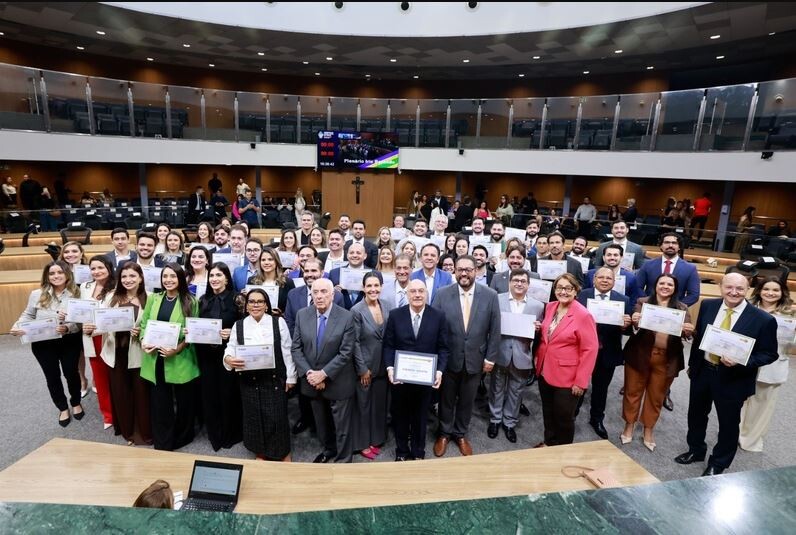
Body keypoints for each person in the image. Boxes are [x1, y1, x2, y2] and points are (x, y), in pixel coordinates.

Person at [675, 273, 778, 476]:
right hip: (703, 371)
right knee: (696, 415)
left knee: (728, 423)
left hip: (734, 378)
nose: (733, 292)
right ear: (721, 287)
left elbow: (769, 354)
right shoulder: (708, 305)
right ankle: (696, 450)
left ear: (747, 289)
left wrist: (743, 361)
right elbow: (702, 338)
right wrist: (693, 362)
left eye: (739, 289)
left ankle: (719, 462)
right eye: (729, 287)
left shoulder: (763, 319)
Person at [432, 255, 500, 457]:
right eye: (460, 269)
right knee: (446, 399)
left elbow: (495, 329)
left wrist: (490, 358)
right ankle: (444, 433)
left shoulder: (490, 295)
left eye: (468, 269)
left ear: (476, 271)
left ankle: (460, 433)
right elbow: (434, 327)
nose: (464, 273)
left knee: (467, 400)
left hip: (476, 359)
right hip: (448, 359)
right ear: (454, 271)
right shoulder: (442, 294)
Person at [621, 273, 693, 450]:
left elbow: (688, 334)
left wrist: (688, 330)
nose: (665, 286)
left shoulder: (682, 307)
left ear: (675, 288)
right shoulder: (643, 302)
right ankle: (629, 425)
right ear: (656, 285)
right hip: (639, 355)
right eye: (662, 283)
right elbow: (634, 325)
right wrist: (635, 320)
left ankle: (648, 429)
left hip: (666, 359)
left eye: (670, 284)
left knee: (656, 396)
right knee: (632, 392)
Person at [224, 288, 296, 461]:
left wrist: (291, 377)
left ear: (266, 305)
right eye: (251, 302)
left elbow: (288, 350)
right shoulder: (239, 325)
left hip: (273, 379)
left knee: (277, 417)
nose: (255, 305)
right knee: (254, 418)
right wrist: (228, 359)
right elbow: (231, 347)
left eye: (260, 302)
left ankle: (283, 452)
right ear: (246, 306)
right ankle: (260, 451)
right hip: (249, 380)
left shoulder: (277, 322)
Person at [291, 278, 357, 463]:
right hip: (312, 380)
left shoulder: (346, 316)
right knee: (321, 424)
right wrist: (310, 374)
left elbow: (345, 353)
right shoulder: (302, 315)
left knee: (342, 426)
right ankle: (329, 450)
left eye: (324, 292)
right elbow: (296, 348)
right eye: (315, 292)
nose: (319, 296)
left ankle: (344, 459)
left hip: (338, 380)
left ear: (333, 294)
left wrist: (324, 374)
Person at [10, 261, 83, 427]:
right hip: (43, 343)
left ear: (67, 274)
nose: (56, 276)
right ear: (47, 276)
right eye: (52, 273)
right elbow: (28, 314)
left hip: (68, 341)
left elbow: (80, 321)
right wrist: (17, 325)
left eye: (60, 272)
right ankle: (62, 407)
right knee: (52, 376)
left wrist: (68, 327)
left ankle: (76, 402)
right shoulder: (37, 294)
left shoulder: (77, 293)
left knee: (71, 373)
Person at [383, 280, 449, 461]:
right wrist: (390, 368)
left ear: (427, 293)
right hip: (400, 378)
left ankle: (418, 452)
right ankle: (402, 451)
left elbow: (443, 348)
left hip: (425, 378)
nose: (417, 295)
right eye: (413, 291)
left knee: (421, 417)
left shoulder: (438, 316)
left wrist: (439, 371)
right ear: (407, 294)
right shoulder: (395, 315)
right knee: (401, 416)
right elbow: (388, 346)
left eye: (421, 291)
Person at [139, 263, 200, 451]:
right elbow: (144, 325)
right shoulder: (154, 299)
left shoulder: (190, 301)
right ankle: (163, 441)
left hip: (180, 357)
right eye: (165, 276)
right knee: (160, 403)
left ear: (180, 278)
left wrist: (178, 348)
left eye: (173, 276)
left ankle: (183, 436)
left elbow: (193, 333)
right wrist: (143, 341)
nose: (168, 280)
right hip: (155, 357)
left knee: (184, 402)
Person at [534, 273, 599, 446]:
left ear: (576, 291)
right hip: (545, 370)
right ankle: (549, 443)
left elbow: (590, 350)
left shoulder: (583, 315)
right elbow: (547, 336)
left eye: (568, 288)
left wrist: (581, 381)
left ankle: (562, 453)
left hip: (568, 378)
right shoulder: (550, 307)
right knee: (548, 413)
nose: (563, 291)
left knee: (564, 418)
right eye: (559, 287)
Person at [739, 277, 795, 452]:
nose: (770, 293)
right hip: (745, 361)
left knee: (762, 405)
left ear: (782, 293)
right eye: (766, 289)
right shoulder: (747, 308)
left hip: (773, 365)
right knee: (739, 401)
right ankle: (733, 433)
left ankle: (750, 439)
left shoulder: (791, 314)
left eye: (775, 290)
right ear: (759, 291)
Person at [575, 267, 632, 440]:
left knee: (601, 388)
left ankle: (596, 418)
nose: (605, 280)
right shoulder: (582, 296)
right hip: (582, 350)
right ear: (594, 279)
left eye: (609, 278)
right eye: (601, 277)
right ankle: (573, 411)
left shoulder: (622, 300)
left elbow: (628, 332)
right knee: (579, 384)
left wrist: (625, 326)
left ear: (614, 282)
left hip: (608, 351)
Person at [488, 269, 544, 443]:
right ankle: (495, 420)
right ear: (510, 282)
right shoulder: (497, 299)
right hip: (500, 352)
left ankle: (509, 422)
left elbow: (541, 334)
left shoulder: (538, 306)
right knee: (496, 388)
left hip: (522, 354)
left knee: (516, 390)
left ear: (528, 284)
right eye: (516, 280)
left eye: (523, 281)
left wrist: (537, 328)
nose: (519, 284)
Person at [191, 263, 243, 451]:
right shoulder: (203, 299)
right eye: (211, 275)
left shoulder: (237, 299)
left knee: (228, 393)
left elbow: (246, 324)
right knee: (209, 394)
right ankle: (215, 434)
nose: (214, 278)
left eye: (219, 275)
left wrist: (233, 332)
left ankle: (230, 433)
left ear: (227, 278)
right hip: (206, 354)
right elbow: (196, 325)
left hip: (228, 354)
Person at [100, 262, 152, 445]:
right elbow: (100, 323)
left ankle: (143, 432)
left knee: (141, 393)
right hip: (115, 352)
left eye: (132, 276)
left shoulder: (150, 298)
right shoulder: (110, 298)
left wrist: (141, 333)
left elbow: (153, 327)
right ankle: (127, 431)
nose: (128, 280)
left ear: (141, 278)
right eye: (124, 277)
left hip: (139, 353)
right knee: (121, 393)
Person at [350, 272, 390, 460]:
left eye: (376, 285)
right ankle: (362, 443)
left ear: (381, 287)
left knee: (379, 405)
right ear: (363, 288)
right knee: (363, 406)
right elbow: (354, 342)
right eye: (369, 286)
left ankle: (375, 438)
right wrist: (361, 368)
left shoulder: (387, 306)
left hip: (383, 365)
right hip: (365, 368)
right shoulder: (356, 310)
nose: (373, 289)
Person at [78, 255, 116, 429]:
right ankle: (108, 415)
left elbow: (118, 316)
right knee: (100, 377)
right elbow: (79, 312)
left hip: (112, 337)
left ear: (109, 268)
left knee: (116, 377)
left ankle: (121, 410)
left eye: (100, 267)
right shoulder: (85, 287)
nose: (97, 271)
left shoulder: (118, 286)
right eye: (93, 268)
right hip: (91, 338)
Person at [58, 242, 90, 396]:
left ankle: (96, 379)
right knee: (77, 353)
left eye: (74, 251)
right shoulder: (59, 271)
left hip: (89, 314)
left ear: (81, 253)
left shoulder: (91, 268)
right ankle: (83, 379)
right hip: (71, 318)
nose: (70, 254)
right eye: (67, 252)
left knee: (93, 349)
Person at [636, 233, 700, 306]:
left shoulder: (690, 268)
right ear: (661, 246)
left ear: (679, 247)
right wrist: (648, 303)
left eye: (674, 243)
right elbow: (638, 287)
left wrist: (676, 307)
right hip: (649, 308)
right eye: (667, 242)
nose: (670, 245)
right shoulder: (648, 265)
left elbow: (694, 295)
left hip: (675, 312)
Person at [585, 244, 642, 310]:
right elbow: (585, 294)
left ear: (621, 257)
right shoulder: (591, 274)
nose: (612, 258)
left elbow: (633, 300)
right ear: (603, 257)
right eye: (609, 255)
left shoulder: (631, 277)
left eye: (615, 255)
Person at [248, 248, 296, 315]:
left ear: (276, 262)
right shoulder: (252, 281)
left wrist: (281, 314)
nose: (266, 263)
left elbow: (293, 307)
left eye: (270, 259)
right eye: (263, 260)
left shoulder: (288, 282)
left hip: (278, 321)